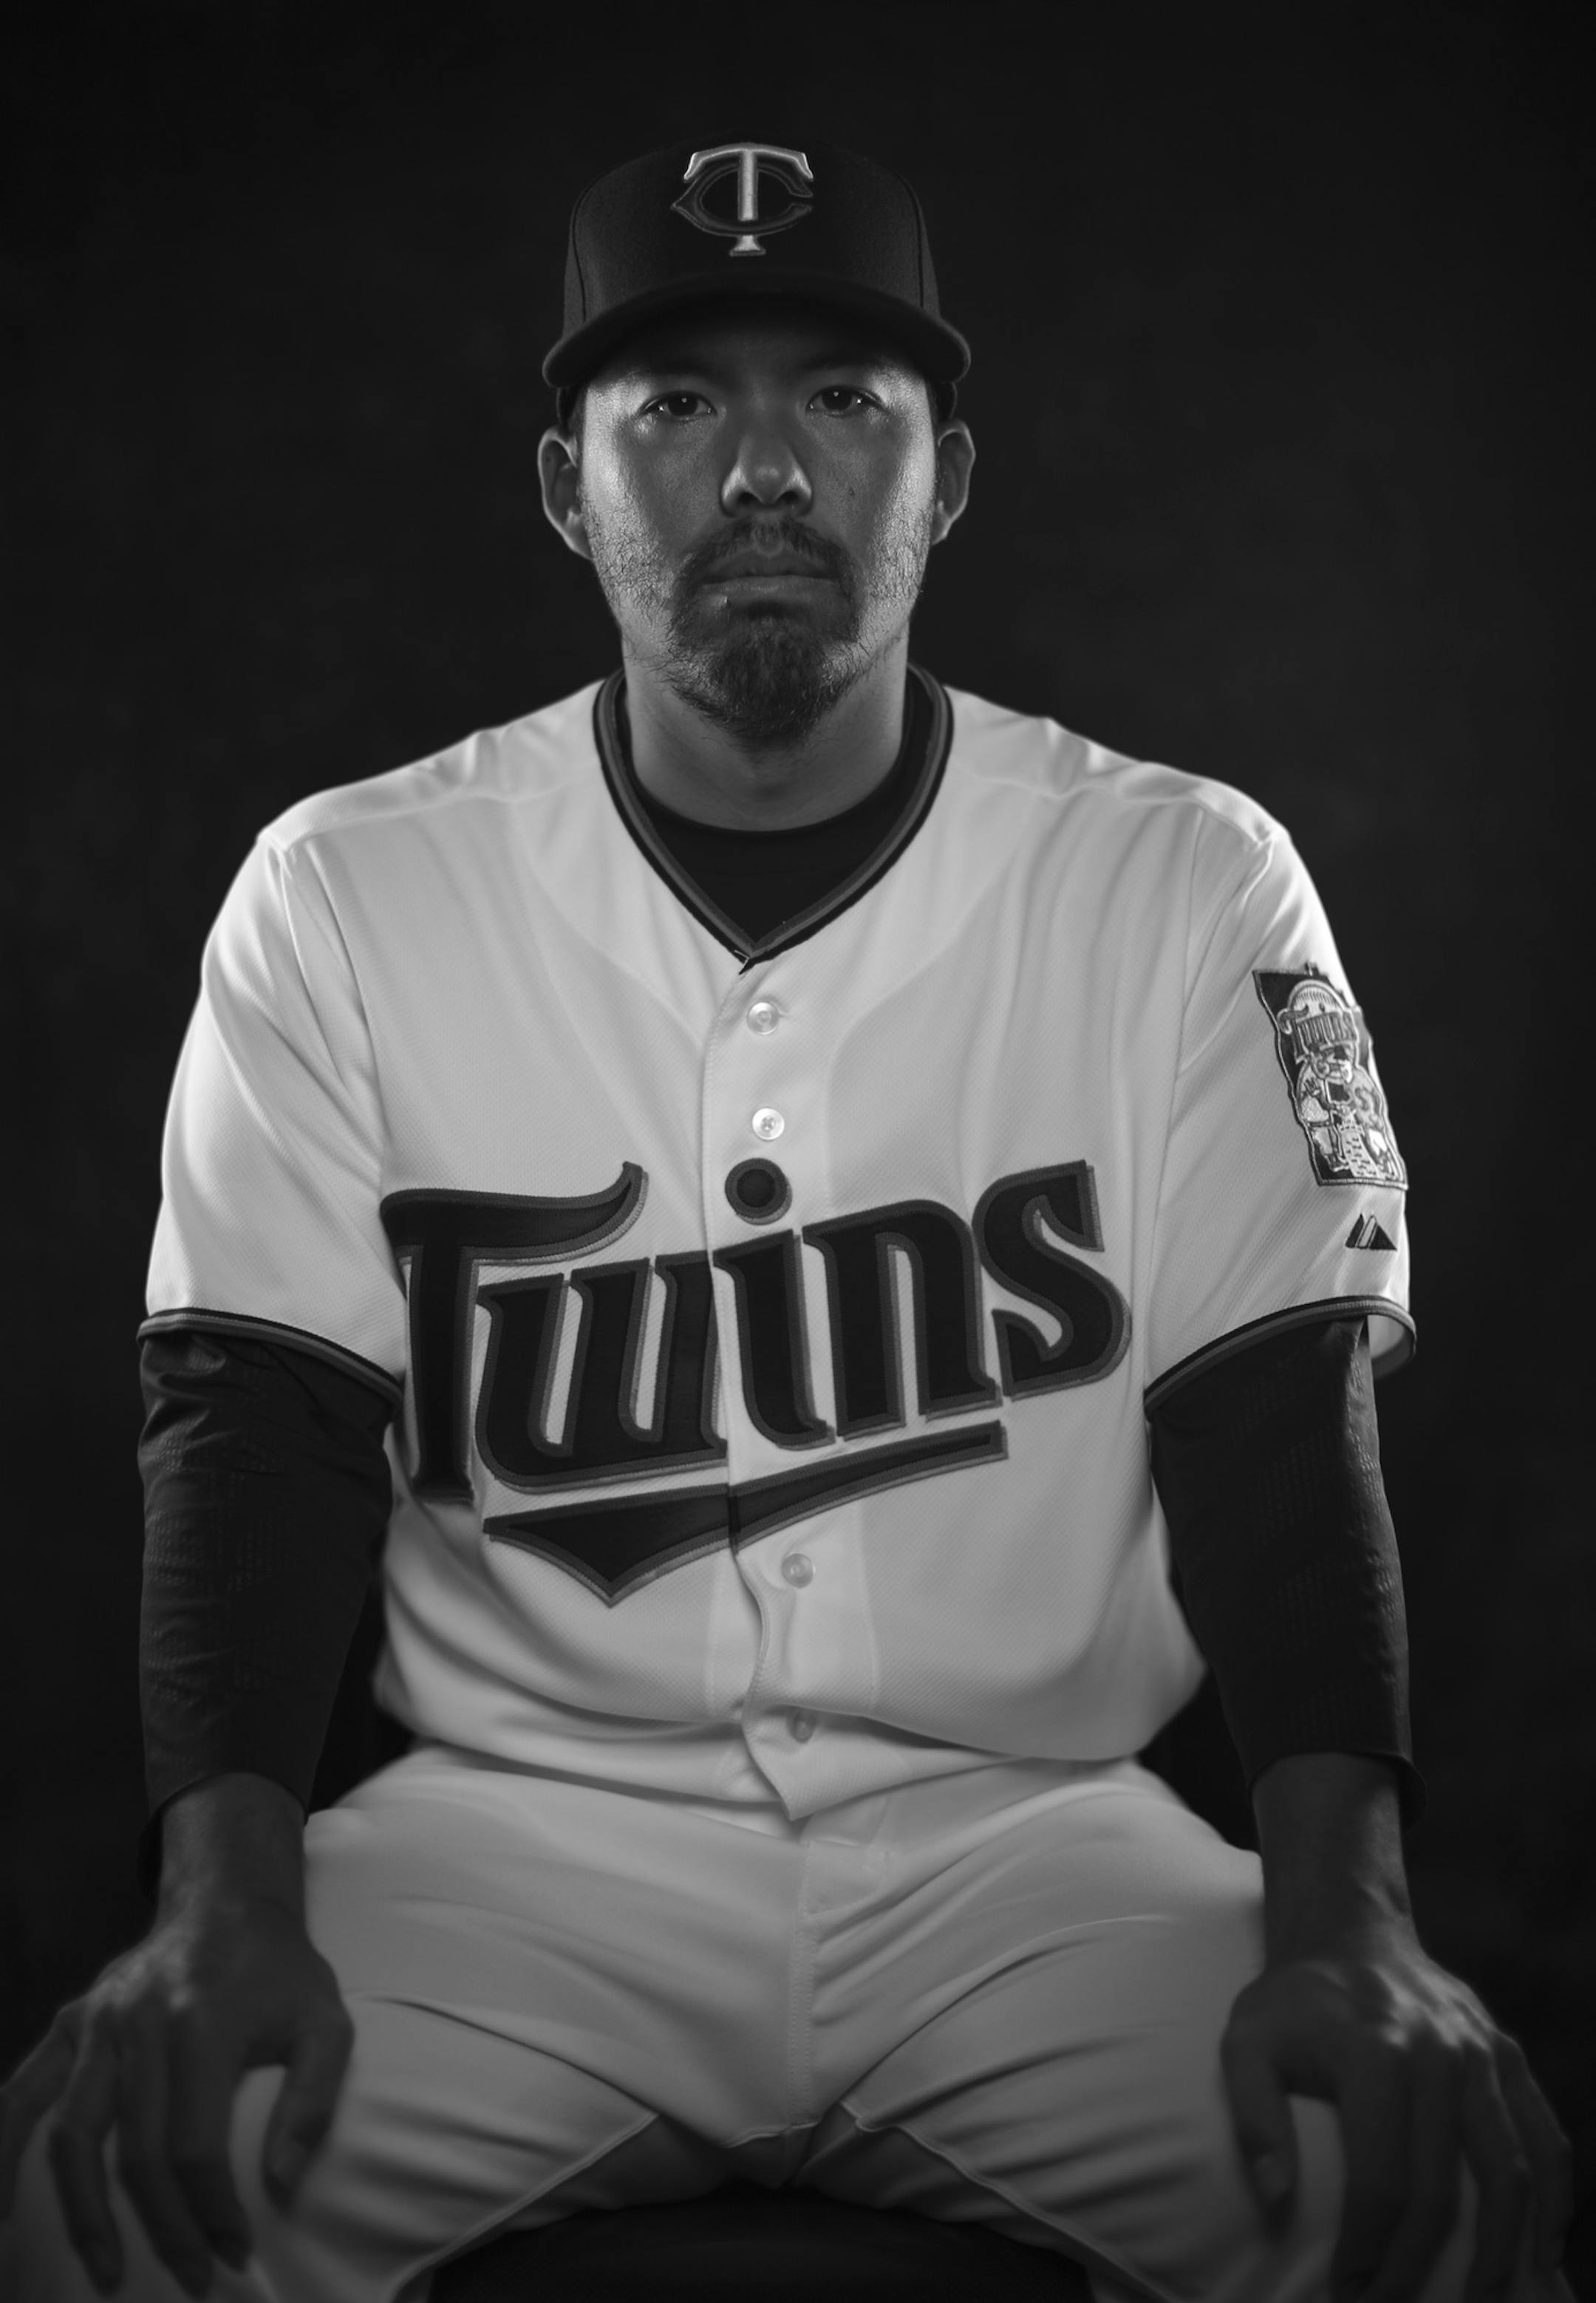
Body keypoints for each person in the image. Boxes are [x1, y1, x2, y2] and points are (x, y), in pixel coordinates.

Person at [0, 138, 1575, 2303]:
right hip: (518, 1844)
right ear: (568, 484)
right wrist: (221, 1917)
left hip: (1027, 1844)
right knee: (115, 2204)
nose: (763, 471)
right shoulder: (349, 890)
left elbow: (1275, 1437)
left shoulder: (1182, 877)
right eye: (676, 404)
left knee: (1433, 2203)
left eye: (843, 400)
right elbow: (253, 1435)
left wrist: (1354, 1930)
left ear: (945, 478)